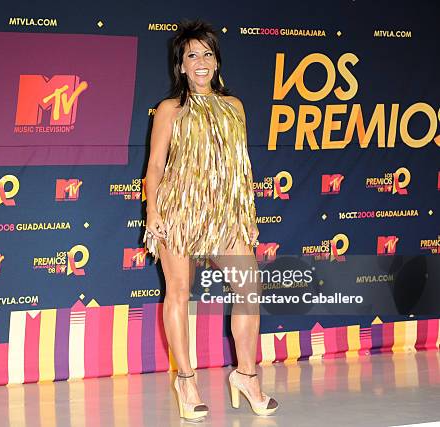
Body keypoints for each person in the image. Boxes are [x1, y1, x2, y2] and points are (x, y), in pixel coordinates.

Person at [143, 19, 279, 420]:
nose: (200, 61)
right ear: (181, 66)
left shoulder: (234, 106)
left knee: (249, 287)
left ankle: (247, 376)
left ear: (216, 62)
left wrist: (246, 213)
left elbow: (239, 167)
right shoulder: (170, 109)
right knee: (179, 292)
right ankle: (186, 381)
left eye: (207, 53)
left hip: (224, 212)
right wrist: (153, 213)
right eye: (191, 55)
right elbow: (154, 165)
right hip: (178, 210)